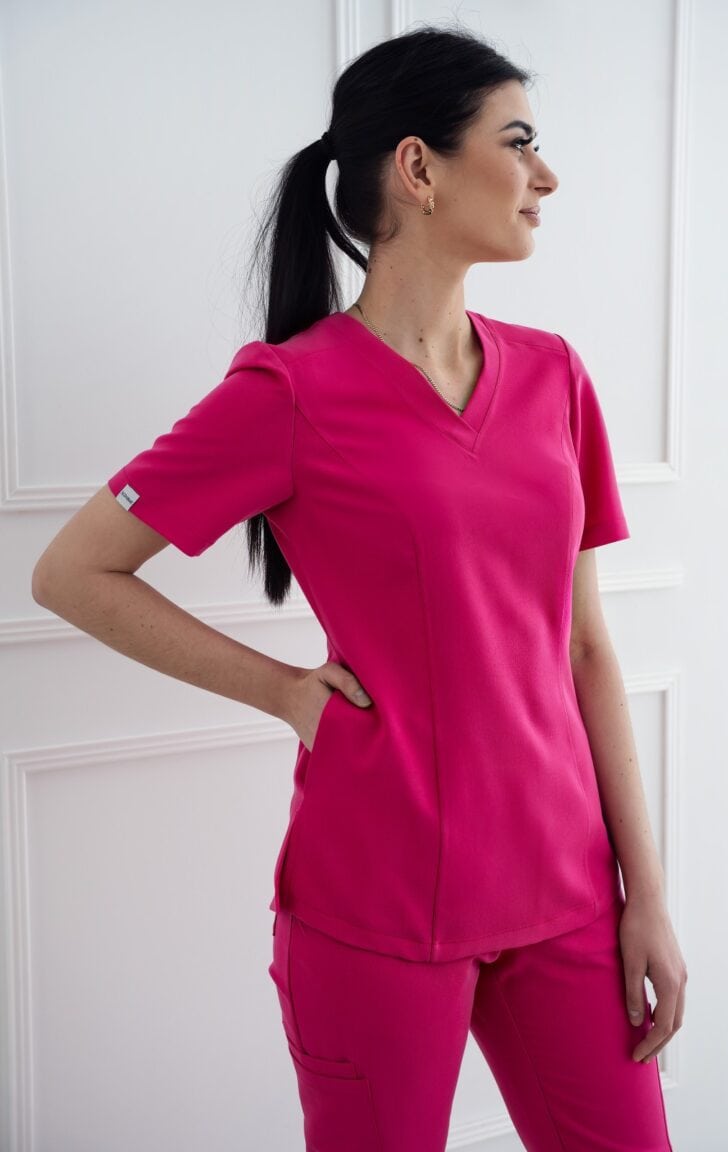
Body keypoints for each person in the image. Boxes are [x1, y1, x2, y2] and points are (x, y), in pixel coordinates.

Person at [31, 21, 687, 1152]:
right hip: (374, 903)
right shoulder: (290, 392)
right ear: (419, 168)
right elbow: (72, 572)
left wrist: (649, 896)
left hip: (569, 894)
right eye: (518, 142)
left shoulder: (556, 378)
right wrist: (285, 691)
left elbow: (585, 648)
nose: (546, 176)